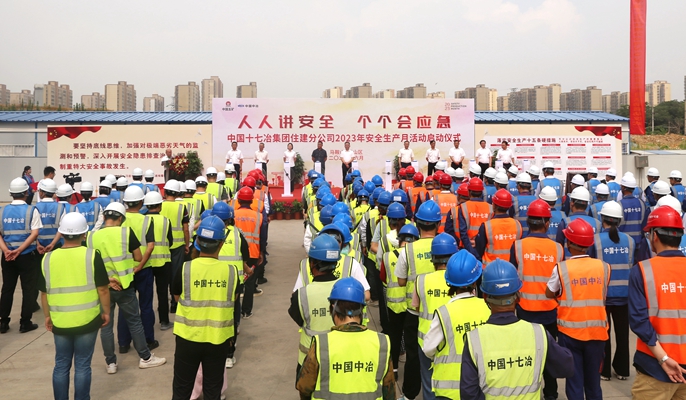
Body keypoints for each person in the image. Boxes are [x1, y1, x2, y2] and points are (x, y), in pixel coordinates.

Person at [461, 259, 574, 400]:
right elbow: (566, 367)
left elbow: (468, 393)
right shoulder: (538, 334)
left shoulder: (474, 339)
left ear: (485, 297)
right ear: (518, 297)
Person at [87, 202, 166, 374]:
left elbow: (89, 263)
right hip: (124, 285)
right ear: (121, 218)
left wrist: (107, 280)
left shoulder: (91, 236)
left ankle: (111, 363)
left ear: (104, 217)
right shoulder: (126, 232)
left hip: (103, 286)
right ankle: (145, 357)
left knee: (106, 325)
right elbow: (138, 257)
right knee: (134, 321)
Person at [39, 212, 110, 400]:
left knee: (61, 364)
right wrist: (106, 312)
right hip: (88, 320)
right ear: (84, 234)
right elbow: (103, 289)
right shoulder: (92, 255)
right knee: (83, 365)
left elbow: (44, 293)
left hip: (60, 321)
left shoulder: (47, 259)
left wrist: (47, 316)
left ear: (61, 233)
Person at [172, 216, 238, 400]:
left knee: (181, 390)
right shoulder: (231, 272)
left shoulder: (185, 269)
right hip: (218, 340)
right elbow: (233, 299)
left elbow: (177, 297)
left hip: (187, 339)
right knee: (212, 390)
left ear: (198, 242)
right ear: (221, 243)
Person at [296, 277, 395, 400]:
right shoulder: (382, 343)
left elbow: (304, 386)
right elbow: (389, 391)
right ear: (361, 309)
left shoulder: (321, 344)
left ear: (333, 308)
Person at [546, 218, 610, 400]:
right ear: (589, 245)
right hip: (597, 334)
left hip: (570, 333)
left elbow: (549, 293)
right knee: (593, 383)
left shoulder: (562, 268)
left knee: (574, 382)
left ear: (568, 243)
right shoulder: (604, 267)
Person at [629, 206, 686, 398]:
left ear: (654, 236)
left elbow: (639, 321)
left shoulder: (642, 270)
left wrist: (663, 359)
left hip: (654, 368)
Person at [510, 199, 564, 400]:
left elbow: (513, 278)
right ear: (547, 223)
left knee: (527, 356)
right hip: (550, 311)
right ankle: (551, 394)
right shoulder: (558, 249)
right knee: (548, 353)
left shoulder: (517, 246)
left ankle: (527, 393)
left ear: (528, 222)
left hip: (524, 311)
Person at [421, 250, 490, 400]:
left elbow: (428, 348)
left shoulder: (444, 313)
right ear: (475, 281)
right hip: (481, 387)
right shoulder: (487, 308)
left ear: (450, 282)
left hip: (449, 392)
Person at [396, 200, 442, 400]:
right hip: (442, 311)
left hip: (415, 312)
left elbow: (400, 281)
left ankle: (409, 394)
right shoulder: (446, 247)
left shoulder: (408, 250)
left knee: (414, 355)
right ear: (438, 224)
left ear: (417, 224)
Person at [586, 201, 636, 382]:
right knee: (623, 335)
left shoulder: (596, 240)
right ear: (619, 221)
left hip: (603, 296)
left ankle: (605, 371)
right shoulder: (630, 241)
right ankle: (622, 370)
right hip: (624, 295)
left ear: (602, 218)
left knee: (603, 334)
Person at [414, 233, 459, 400]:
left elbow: (416, 307)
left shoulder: (421, 280)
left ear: (432, 259)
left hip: (426, 341)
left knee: (428, 384)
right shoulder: (460, 283)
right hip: (453, 341)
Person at [289, 235, 341, 379]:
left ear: (312, 263)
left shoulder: (301, 295)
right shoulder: (345, 291)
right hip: (338, 358)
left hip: (308, 362)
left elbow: (299, 319)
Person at [119, 186, 159, 351]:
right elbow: (150, 246)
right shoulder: (147, 220)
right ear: (142, 202)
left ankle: (123, 343)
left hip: (124, 269)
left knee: (125, 306)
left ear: (125, 203)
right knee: (146, 305)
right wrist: (140, 265)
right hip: (144, 269)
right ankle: (148, 340)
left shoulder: (120, 220)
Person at [0, 177, 42, 334]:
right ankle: (25, 323)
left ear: (11, 193)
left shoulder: (2, 211)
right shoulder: (31, 210)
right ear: (26, 193)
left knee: (7, 288)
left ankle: (3, 322)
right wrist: (19, 250)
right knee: (28, 289)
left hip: (7, 257)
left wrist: (6, 250)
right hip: (26, 255)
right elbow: (34, 233)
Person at [142, 191, 174, 331]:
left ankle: (146, 323)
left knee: (146, 294)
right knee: (162, 292)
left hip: (146, 262)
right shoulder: (166, 220)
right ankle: (164, 321)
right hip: (163, 261)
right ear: (160, 206)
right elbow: (170, 241)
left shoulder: (142, 220)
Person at [234, 187, 264, 318]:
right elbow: (262, 236)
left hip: (235, 252)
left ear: (238, 200)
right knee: (250, 283)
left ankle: (234, 311)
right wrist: (261, 252)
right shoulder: (258, 216)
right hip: (253, 253)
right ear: (252, 200)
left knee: (235, 282)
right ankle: (246, 311)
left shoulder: (233, 214)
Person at [476, 189, 522, 265]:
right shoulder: (517, 224)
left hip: (490, 267)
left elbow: (479, 249)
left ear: (494, 205)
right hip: (510, 268)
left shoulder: (487, 226)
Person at [618, 174, 649, 243]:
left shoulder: (619, 204)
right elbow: (644, 223)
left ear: (623, 187)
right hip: (638, 240)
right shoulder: (641, 203)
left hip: (624, 241)